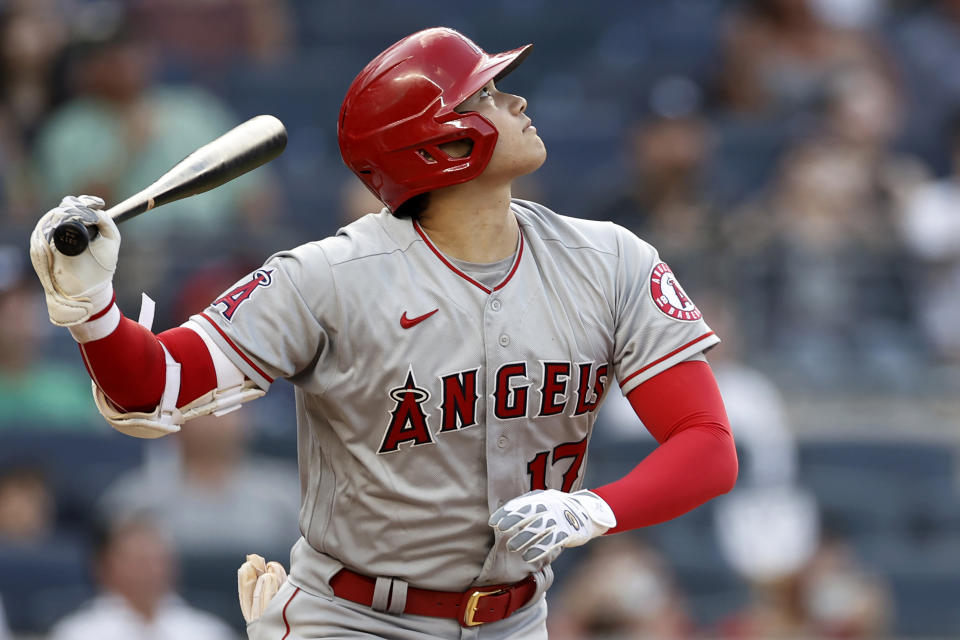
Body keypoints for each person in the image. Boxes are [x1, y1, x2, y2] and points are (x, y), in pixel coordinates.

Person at [29, 27, 738, 639]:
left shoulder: (610, 259)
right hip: (353, 616)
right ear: (440, 143)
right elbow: (156, 387)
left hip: (517, 618)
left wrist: (597, 507)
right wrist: (90, 307)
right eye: (486, 94)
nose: (516, 102)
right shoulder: (328, 276)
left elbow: (707, 446)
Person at [48, 513, 237, 640]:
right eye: (139, 560)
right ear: (104, 566)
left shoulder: (208, 632)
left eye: (158, 559)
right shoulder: (77, 633)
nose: (152, 569)